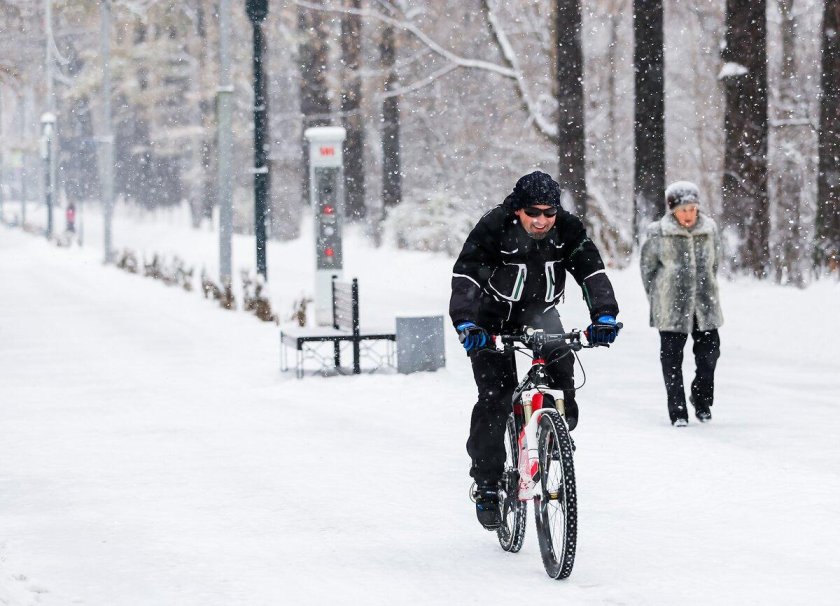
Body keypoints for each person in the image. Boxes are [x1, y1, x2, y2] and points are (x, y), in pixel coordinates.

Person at [449, 170, 620, 530]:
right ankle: (488, 485)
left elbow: (591, 271)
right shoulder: (495, 226)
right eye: (533, 212)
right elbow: (466, 275)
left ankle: (554, 433)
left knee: (563, 367)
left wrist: (604, 315)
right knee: (496, 398)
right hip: (490, 318)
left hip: (540, 314)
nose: (541, 220)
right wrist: (467, 323)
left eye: (548, 212)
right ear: (518, 210)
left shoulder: (567, 229)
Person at [640, 181, 723, 427]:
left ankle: (701, 397)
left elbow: (714, 264)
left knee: (710, 355)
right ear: (672, 209)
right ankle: (677, 411)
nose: (688, 214)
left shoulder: (709, 230)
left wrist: (706, 287)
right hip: (670, 306)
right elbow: (648, 270)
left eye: (692, 209)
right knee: (671, 359)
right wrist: (658, 298)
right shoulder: (658, 232)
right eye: (683, 209)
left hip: (704, 304)